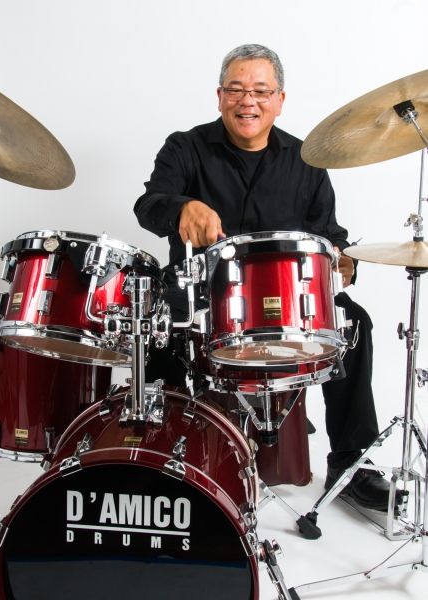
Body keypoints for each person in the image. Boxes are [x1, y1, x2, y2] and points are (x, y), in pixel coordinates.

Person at [134, 43, 401, 512]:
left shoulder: (307, 160)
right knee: (161, 321)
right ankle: (160, 458)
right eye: (236, 90)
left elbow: (330, 237)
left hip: (282, 300)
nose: (248, 102)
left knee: (353, 323)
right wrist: (181, 207)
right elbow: (148, 205)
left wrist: (344, 261)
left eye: (261, 91)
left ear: (280, 100)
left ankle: (351, 465)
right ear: (220, 96)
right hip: (200, 292)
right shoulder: (185, 147)